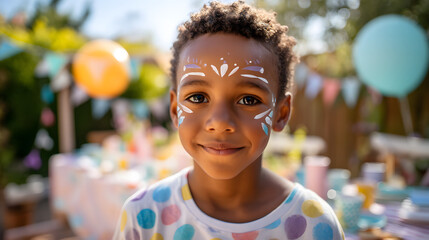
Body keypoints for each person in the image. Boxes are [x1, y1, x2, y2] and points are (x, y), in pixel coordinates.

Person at [113, 1, 344, 239]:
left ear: (281, 113)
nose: (220, 122)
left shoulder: (315, 224)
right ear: (174, 110)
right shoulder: (143, 215)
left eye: (248, 100)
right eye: (198, 97)